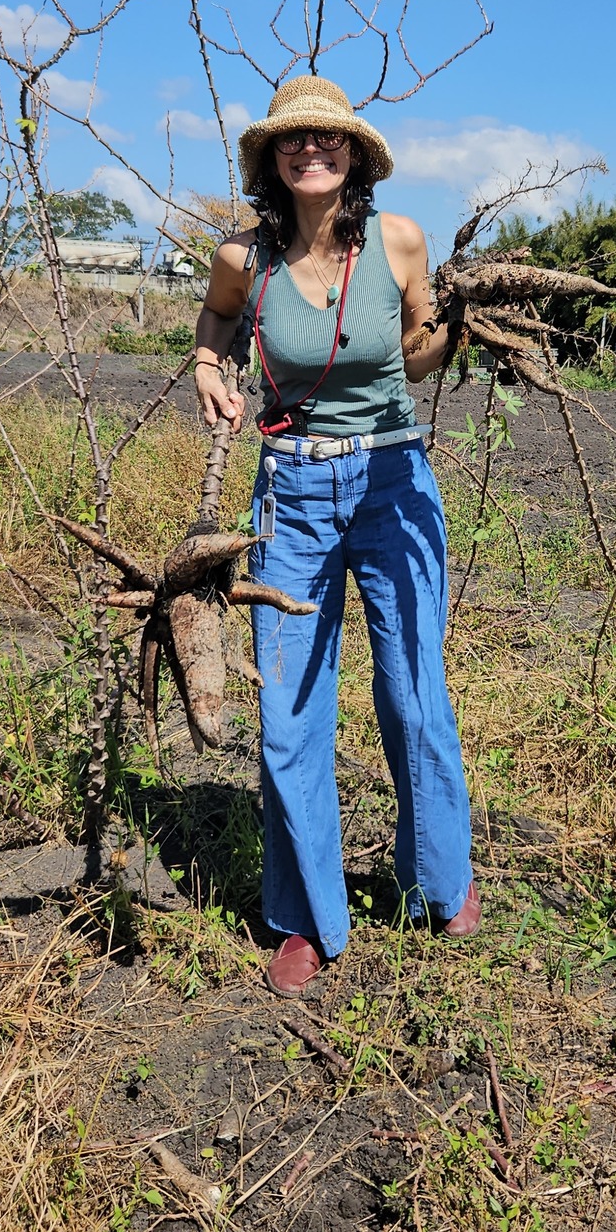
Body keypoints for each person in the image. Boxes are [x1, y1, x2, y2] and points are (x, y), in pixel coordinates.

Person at [192, 75, 480, 996]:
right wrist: (207, 360)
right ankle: (306, 919)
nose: (310, 150)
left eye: (328, 138)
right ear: (271, 157)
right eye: (293, 139)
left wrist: (458, 318)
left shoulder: (398, 240)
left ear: (353, 154)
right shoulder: (244, 255)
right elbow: (219, 316)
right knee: (288, 712)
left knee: (413, 694)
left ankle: (441, 879)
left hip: (393, 479)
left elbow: (419, 354)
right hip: (293, 490)